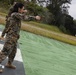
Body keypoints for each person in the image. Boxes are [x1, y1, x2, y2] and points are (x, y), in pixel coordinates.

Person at [0, 2, 40, 73]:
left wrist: (23, 11)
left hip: (15, 37)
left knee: (13, 52)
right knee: (5, 52)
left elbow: (21, 15)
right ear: (19, 9)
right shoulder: (15, 14)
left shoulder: (16, 14)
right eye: (22, 9)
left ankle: (9, 63)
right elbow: (24, 17)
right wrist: (34, 17)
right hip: (11, 37)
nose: (23, 10)